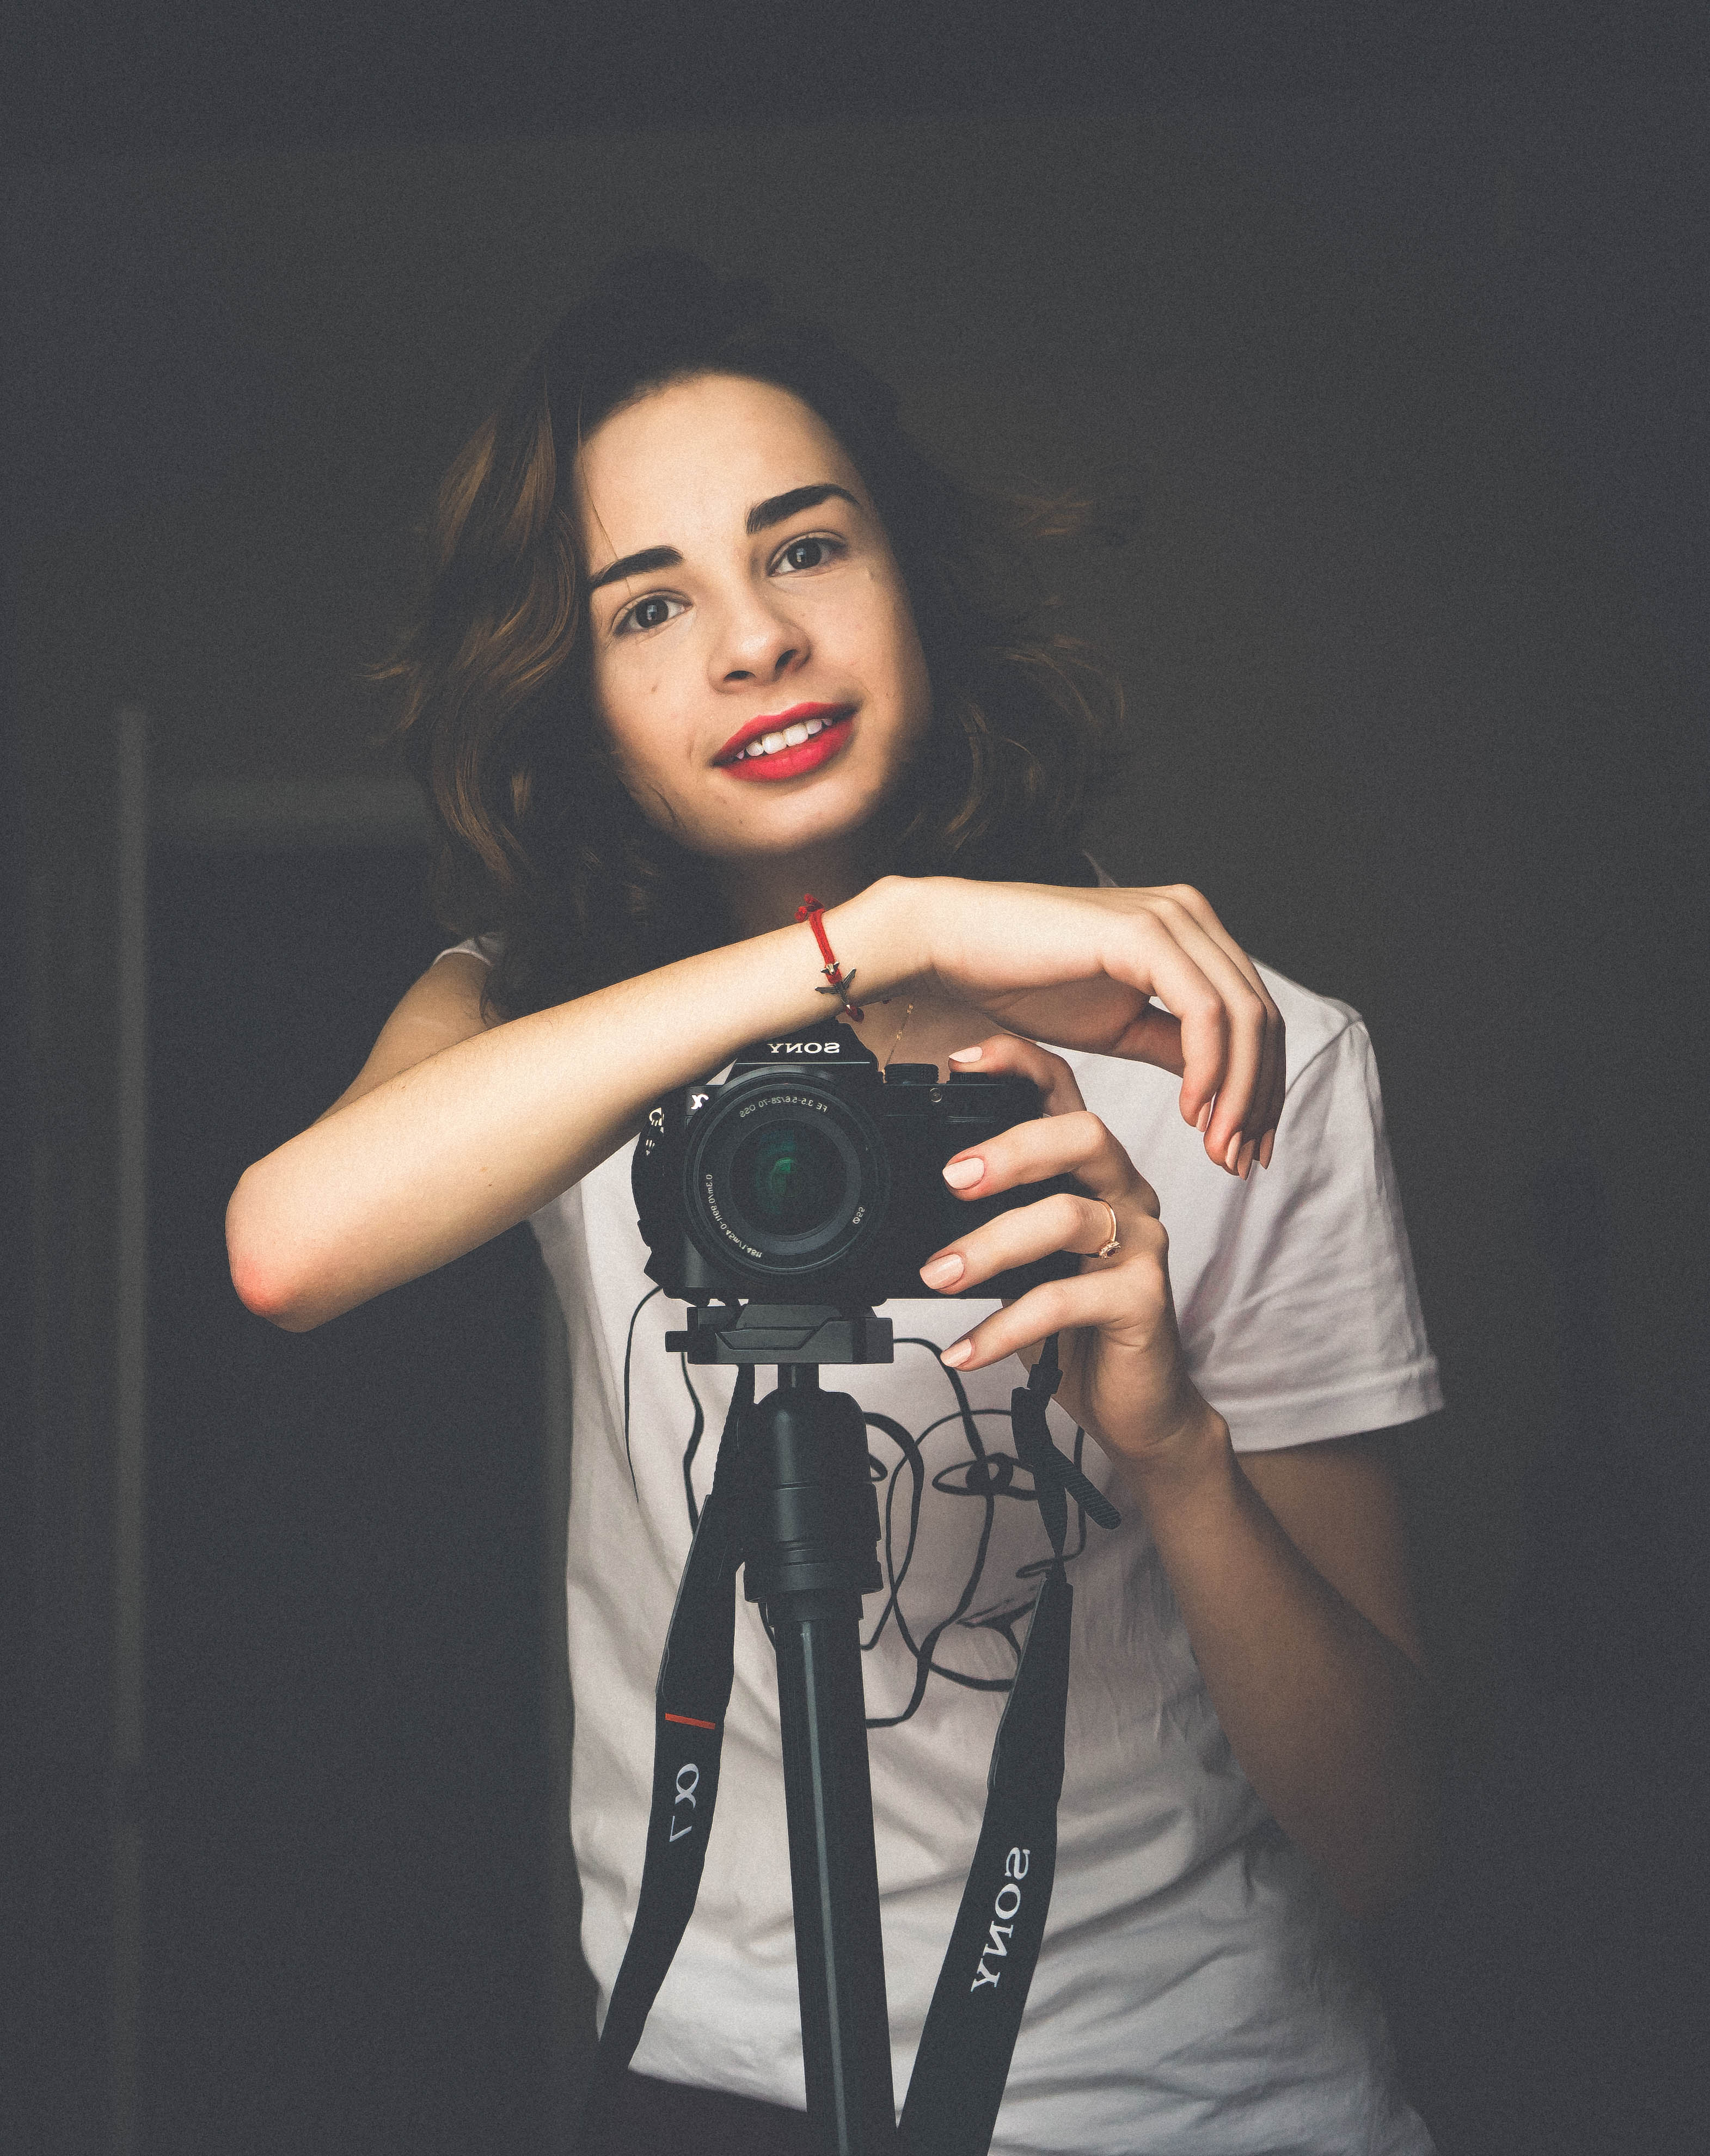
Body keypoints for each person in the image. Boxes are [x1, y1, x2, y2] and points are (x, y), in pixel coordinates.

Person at [226, 253, 1444, 2154]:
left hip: (1181, 2099)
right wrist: (867, 942)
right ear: (579, 697)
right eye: (651, 603)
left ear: (912, 581)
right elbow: (284, 1248)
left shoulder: (1241, 1050)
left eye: (804, 550)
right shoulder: (534, 1026)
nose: (751, 642)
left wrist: (1176, 1445)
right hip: (722, 2081)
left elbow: (1386, 1838)